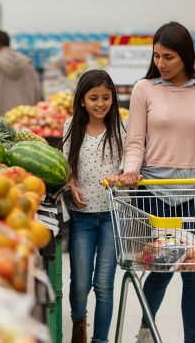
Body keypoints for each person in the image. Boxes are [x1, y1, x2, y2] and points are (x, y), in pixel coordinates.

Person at [117, 21, 195, 343]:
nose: (161, 64)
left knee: (194, 272)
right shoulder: (144, 88)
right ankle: (146, 331)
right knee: (162, 265)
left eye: (168, 57)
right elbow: (135, 141)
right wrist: (129, 171)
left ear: (185, 55)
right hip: (153, 191)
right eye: (156, 56)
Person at [60, 69, 127, 343]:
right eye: (93, 98)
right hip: (82, 215)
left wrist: (121, 179)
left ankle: (100, 340)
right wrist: (71, 184)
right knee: (79, 285)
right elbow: (67, 165)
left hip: (112, 215)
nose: (101, 104)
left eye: (106, 97)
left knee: (103, 284)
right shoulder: (71, 126)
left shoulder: (121, 128)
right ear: (82, 100)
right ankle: (79, 321)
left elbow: (127, 168)